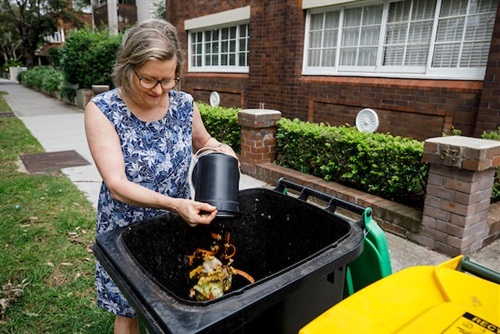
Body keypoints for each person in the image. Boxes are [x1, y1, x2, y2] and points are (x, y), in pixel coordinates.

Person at [84, 19, 237, 334]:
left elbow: (203, 142)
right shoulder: (103, 110)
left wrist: (223, 149)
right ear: (128, 69)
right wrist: (176, 204)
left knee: (174, 299)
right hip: (126, 230)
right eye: (150, 80)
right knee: (128, 311)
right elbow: (117, 185)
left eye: (169, 79)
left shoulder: (183, 104)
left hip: (177, 224)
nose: (160, 90)